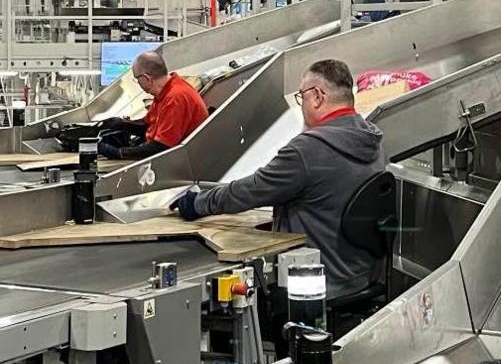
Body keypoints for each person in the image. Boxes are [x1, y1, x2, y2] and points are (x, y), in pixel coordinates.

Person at [170, 58, 387, 297]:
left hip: (319, 285)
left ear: (317, 96)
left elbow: (252, 190)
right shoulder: (372, 140)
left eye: (301, 97)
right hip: (360, 276)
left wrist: (196, 203)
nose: (301, 106)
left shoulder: (309, 149)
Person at [97, 51, 207, 160]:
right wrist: (123, 125)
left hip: (180, 162)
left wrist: (119, 153)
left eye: (137, 79)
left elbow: (161, 147)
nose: (138, 83)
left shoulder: (175, 98)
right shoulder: (165, 92)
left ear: (146, 78)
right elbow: (149, 126)